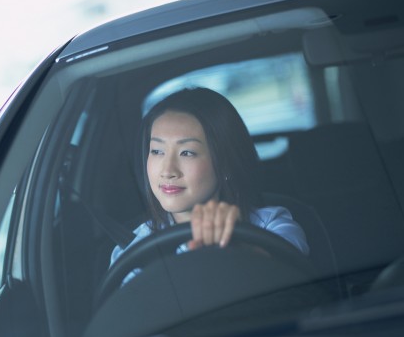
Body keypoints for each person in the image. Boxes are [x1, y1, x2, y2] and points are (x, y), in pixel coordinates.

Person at [110, 87, 308, 284]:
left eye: (187, 152)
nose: (168, 170)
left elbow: (286, 272)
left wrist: (237, 247)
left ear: (225, 165)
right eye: (157, 151)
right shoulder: (132, 251)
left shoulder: (272, 226)